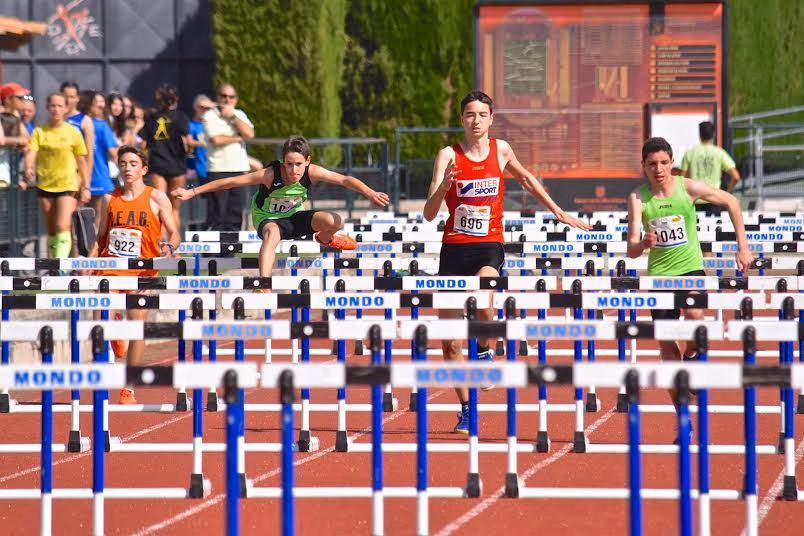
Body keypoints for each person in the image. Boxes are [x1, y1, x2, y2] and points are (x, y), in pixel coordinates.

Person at [423, 90, 592, 434]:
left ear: (491, 119)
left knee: (485, 302)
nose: (476, 121)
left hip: (489, 245)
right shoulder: (447, 155)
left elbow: (527, 179)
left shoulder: (501, 151)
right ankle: (467, 409)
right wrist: (445, 186)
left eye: (482, 115)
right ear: (462, 120)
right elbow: (429, 213)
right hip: (454, 249)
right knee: (449, 341)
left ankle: (484, 350)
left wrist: (557, 210)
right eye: (469, 115)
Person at [627, 137, 753, 436]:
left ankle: (694, 356)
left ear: (672, 163)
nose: (658, 169)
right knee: (667, 348)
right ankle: (683, 419)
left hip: (690, 270)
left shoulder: (688, 187)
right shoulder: (638, 198)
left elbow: (732, 201)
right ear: (643, 167)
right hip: (659, 278)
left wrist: (743, 247)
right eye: (652, 164)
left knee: (696, 321)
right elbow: (631, 248)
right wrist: (642, 243)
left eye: (663, 163)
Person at [172, 135, 389, 276]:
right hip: (268, 219)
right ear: (283, 162)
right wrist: (192, 191)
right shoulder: (270, 175)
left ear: (307, 161)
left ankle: (325, 238)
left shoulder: (313, 172)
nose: (294, 170)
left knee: (336, 220)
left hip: (295, 218)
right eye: (289, 164)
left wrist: (369, 192)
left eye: (299, 165)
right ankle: (264, 284)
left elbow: (344, 180)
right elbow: (230, 182)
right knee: (272, 234)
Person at [90, 145, 180, 404]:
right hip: (110, 267)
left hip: (142, 269)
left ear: (144, 169)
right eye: (123, 163)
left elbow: (173, 232)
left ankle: (129, 386)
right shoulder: (109, 199)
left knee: (137, 325)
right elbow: (101, 237)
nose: (128, 168)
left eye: (133, 163)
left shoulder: (157, 197)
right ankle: (115, 335)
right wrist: (89, 260)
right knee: (100, 318)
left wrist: (169, 246)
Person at [22, 93, 89, 258]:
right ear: (47, 108)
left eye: (60, 106)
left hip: (67, 184)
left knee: (62, 225)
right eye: (53, 106)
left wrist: (86, 186)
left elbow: (82, 161)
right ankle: (55, 263)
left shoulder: (73, 132)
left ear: (66, 109)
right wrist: (28, 166)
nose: (56, 109)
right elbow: (31, 152)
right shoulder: (39, 131)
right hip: (45, 184)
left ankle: (60, 267)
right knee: (52, 228)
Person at [202, 84, 254, 231]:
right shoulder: (209, 115)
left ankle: (230, 251)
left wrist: (232, 117)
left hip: (238, 170)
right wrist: (238, 138)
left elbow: (249, 134)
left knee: (235, 214)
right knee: (217, 214)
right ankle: (212, 253)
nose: (227, 99)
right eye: (223, 96)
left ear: (235, 99)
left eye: (231, 97)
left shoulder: (239, 114)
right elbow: (216, 140)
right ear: (218, 98)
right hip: (218, 170)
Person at [140, 85, 189, 232]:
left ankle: (160, 247)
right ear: (176, 99)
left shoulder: (152, 117)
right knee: (175, 210)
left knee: (160, 207)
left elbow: (143, 143)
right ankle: (175, 247)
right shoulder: (181, 117)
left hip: (157, 165)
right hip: (177, 166)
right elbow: (189, 141)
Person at [680, 121, 740, 217]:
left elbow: (681, 179)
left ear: (699, 134)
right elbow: (736, 177)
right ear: (713, 135)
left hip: (694, 200)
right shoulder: (719, 153)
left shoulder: (690, 153)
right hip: (714, 200)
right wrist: (727, 192)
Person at [86, 91, 119, 232]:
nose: (100, 105)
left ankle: (78, 253)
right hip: (98, 176)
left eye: (102, 102)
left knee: (79, 219)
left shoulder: (73, 123)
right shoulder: (101, 125)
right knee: (100, 217)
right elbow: (113, 152)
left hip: (79, 178)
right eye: (97, 102)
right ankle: (97, 251)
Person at [61, 82, 94, 184]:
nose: (68, 100)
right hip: (56, 173)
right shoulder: (56, 119)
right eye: (65, 96)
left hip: (76, 174)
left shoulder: (85, 120)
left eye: (72, 97)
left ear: (77, 98)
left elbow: (89, 153)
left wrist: (85, 182)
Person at [186, 94, 213, 189]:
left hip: (218, 168)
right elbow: (188, 143)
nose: (204, 110)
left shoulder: (215, 124)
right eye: (201, 107)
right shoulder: (190, 125)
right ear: (195, 106)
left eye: (207, 108)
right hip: (199, 170)